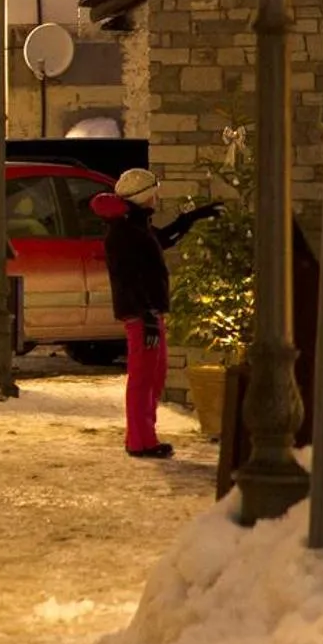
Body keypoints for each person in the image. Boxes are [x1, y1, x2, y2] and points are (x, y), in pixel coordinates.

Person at [92, 167, 221, 460]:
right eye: (155, 192)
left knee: (155, 374)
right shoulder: (124, 231)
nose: (157, 197)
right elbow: (131, 277)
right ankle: (139, 441)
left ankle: (145, 436)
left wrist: (190, 219)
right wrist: (147, 315)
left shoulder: (135, 225)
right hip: (141, 314)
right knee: (143, 377)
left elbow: (161, 240)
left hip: (148, 312)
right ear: (144, 195)